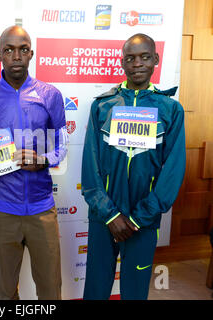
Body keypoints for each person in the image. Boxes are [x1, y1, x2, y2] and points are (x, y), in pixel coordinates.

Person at [81, 33, 186, 300]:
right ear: (122, 63)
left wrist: (141, 216)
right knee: (96, 287)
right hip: (105, 216)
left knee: (135, 291)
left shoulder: (170, 109)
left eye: (144, 57)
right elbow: (89, 165)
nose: (137, 63)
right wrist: (110, 215)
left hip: (144, 219)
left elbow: (173, 169)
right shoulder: (103, 105)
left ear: (156, 60)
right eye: (130, 58)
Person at [0, 25, 68, 300]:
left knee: (51, 288)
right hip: (0, 209)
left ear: (31, 54)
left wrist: (43, 160)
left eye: (23, 50)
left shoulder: (50, 95)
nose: (16, 56)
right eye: (9, 50)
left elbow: (62, 147)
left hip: (41, 208)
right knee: (5, 290)